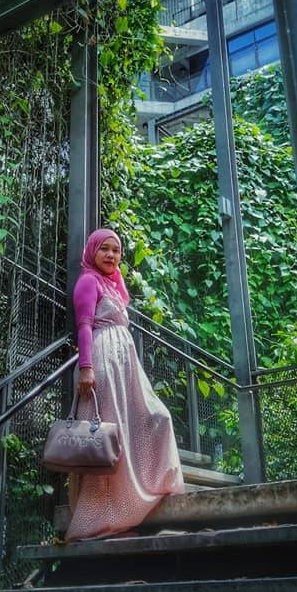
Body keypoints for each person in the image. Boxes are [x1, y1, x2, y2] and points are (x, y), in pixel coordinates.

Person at [64, 228, 185, 541]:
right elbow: (84, 326)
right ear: (93, 251)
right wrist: (86, 367)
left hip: (124, 363)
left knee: (157, 417)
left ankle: (138, 495)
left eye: (116, 250)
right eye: (104, 249)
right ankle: (101, 515)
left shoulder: (114, 284)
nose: (111, 255)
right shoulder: (88, 281)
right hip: (103, 360)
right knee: (107, 431)